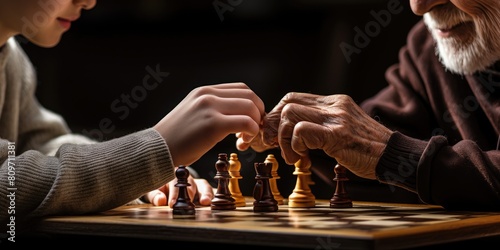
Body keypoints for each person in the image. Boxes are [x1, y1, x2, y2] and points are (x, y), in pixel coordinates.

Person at [0, 0, 265, 232]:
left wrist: (143, 177)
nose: (89, 2)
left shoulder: (11, 57)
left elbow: (39, 144)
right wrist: (153, 152)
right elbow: (7, 183)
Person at [237, 0, 500, 211]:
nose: (419, 6)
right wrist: (309, 131)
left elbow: (391, 152)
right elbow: (371, 144)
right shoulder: (428, 46)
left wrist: (394, 154)